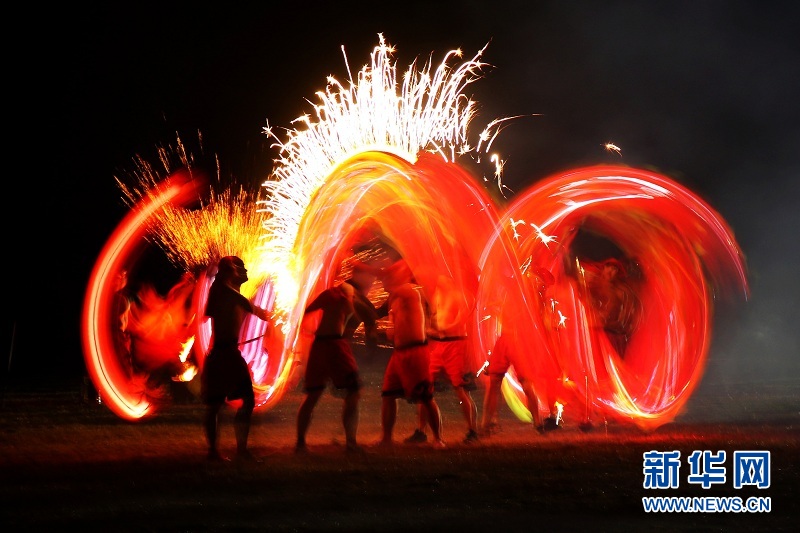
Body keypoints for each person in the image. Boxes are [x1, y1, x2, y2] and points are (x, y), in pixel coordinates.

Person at [295, 264, 379, 454]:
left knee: (314, 395)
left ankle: (301, 443)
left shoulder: (334, 293)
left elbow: (305, 312)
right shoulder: (346, 292)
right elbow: (364, 315)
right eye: (370, 277)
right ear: (359, 276)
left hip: (322, 345)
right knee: (353, 391)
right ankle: (350, 443)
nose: (373, 282)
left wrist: (307, 331)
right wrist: (370, 343)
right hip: (334, 346)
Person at [201, 256, 271, 463]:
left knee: (219, 404)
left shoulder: (224, 292)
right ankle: (231, 451)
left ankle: (223, 451)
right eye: (242, 267)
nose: (248, 271)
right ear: (232, 271)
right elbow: (257, 311)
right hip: (226, 355)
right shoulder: (225, 292)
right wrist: (281, 316)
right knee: (236, 401)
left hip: (223, 354)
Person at [376, 259, 445, 449]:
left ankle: (438, 439)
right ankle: (386, 438)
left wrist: (372, 270)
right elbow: (392, 328)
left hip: (416, 352)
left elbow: (392, 284)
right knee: (388, 395)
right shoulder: (395, 299)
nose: (387, 278)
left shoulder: (410, 290)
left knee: (425, 397)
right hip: (399, 354)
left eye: (392, 274)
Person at [405, 274, 479, 445]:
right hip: (438, 346)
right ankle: (421, 430)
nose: (438, 278)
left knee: (460, 388)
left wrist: (445, 328)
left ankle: (472, 430)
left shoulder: (463, 294)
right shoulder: (437, 292)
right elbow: (435, 315)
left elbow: (463, 318)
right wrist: (430, 329)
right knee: (425, 387)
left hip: (456, 345)